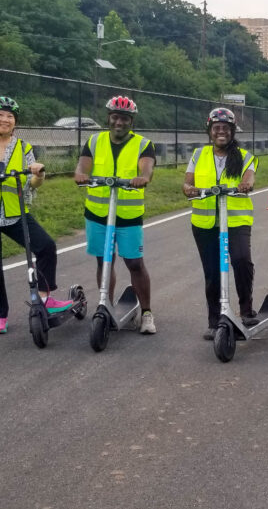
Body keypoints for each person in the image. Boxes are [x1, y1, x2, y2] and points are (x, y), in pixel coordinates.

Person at [74, 95, 157, 334]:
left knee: (134, 263)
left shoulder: (143, 144)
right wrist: (80, 173)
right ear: (109, 118)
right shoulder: (94, 140)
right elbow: (83, 165)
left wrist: (143, 177)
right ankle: (105, 305)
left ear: (131, 121)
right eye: (115, 117)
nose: (119, 122)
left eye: (125, 118)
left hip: (128, 215)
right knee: (104, 260)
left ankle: (147, 313)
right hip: (98, 213)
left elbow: (147, 167)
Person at [183, 108, 258, 339]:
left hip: (236, 221)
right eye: (217, 128)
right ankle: (214, 320)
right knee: (212, 273)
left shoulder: (245, 156)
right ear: (210, 131)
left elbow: (249, 177)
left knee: (241, 260)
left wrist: (245, 185)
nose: (221, 132)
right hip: (205, 223)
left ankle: (246, 310)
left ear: (232, 131)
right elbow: (187, 183)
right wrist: (190, 189)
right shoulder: (198, 155)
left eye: (226, 128)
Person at [0, 96, 73, 333]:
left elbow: (33, 183)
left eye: (10, 116)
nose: (5, 119)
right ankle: (1, 316)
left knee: (45, 246)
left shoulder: (23, 148)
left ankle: (44, 297)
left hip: (14, 212)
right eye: (1, 115)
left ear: (15, 122)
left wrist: (38, 173)